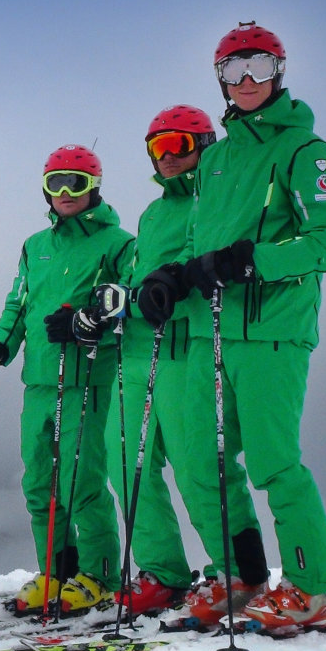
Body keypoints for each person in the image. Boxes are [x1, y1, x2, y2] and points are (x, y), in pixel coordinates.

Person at [136, 22, 326, 634]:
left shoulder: (306, 153)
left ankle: (314, 588)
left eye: (257, 67)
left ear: (279, 71)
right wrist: (173, 278)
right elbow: (203, 243)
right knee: (206, 460)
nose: (246, 80)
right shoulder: (219, 158)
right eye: (233, 71)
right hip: (212, 331)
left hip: (273, 330)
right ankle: (241, 573)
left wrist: (254, 259)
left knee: (276, 462)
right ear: (220, 79)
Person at [81, 106, 258, 620]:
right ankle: (162, 573)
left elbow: (196, 271)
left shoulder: (218, 203)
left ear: (204, 144)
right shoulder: (152, 214)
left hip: (188, 350)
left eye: (179, 145)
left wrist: (146, 292)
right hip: (135, 353)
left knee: (200, 464)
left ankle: (239, 572)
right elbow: (142, 277)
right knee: (127, 465)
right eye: (158, 148)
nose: (169, 158)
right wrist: (110, 304)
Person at [0, 149, 133, 617]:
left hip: (87, 376)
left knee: (82, 481)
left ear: (94, 187)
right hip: (40, 378)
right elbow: (19, 302)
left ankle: (100, 574)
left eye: (76, 183)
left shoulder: (119, 243)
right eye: (57, 183)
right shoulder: (34, 245)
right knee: (40, 483)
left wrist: (89, 320)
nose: (65, 193)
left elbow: (125, 301)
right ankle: (58, 571)